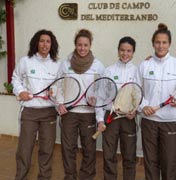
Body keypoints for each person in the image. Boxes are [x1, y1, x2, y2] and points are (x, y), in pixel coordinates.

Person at [136, 23, 176, 180]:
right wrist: (143, 106)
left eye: (164, 42)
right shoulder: (144, 65)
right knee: (150, 162)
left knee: (169, 162)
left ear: (169, 44)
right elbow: (136, 91)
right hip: (148, 121)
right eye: (158, 42)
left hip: (170, 121)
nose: (161, 45)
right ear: (153, 43)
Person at [12, 29, 60, 180]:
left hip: (49, 113)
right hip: (29, 112)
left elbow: (60, 85)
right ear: (36, 43)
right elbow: (15, 78)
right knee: (24, 150)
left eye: (48, 41)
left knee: (46, 150)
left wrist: (54, 92)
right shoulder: (26, 61)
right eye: (42, 41)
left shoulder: (57, 64)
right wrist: (20, 92)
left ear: (52, 44)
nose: (45, 44)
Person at [57, 29, 105, 180]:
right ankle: (70, 176)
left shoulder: (98, 66)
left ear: (90, 45)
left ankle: (86, 177)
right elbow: (58, 86)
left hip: (88, 114)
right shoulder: (65, 64)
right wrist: (59, 104)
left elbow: (102, 90)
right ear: (75, 45)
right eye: (79, 45)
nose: (82, 48)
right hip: (69, 114)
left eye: (85, 45)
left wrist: (96, 102)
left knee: (89, 149)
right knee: (68, 149)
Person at [95, 36, 138, 180]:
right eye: (122, 50)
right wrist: (100, 119)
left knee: (130, 156)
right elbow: (100, 97)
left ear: (133, 52)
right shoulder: (108, 71)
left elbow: (139, 96)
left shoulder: (137, 72)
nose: (125, 54)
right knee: (109, 155)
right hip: (110, 117)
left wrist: (135, 110)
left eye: (129, 51)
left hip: (128, 118)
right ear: (118, 50)